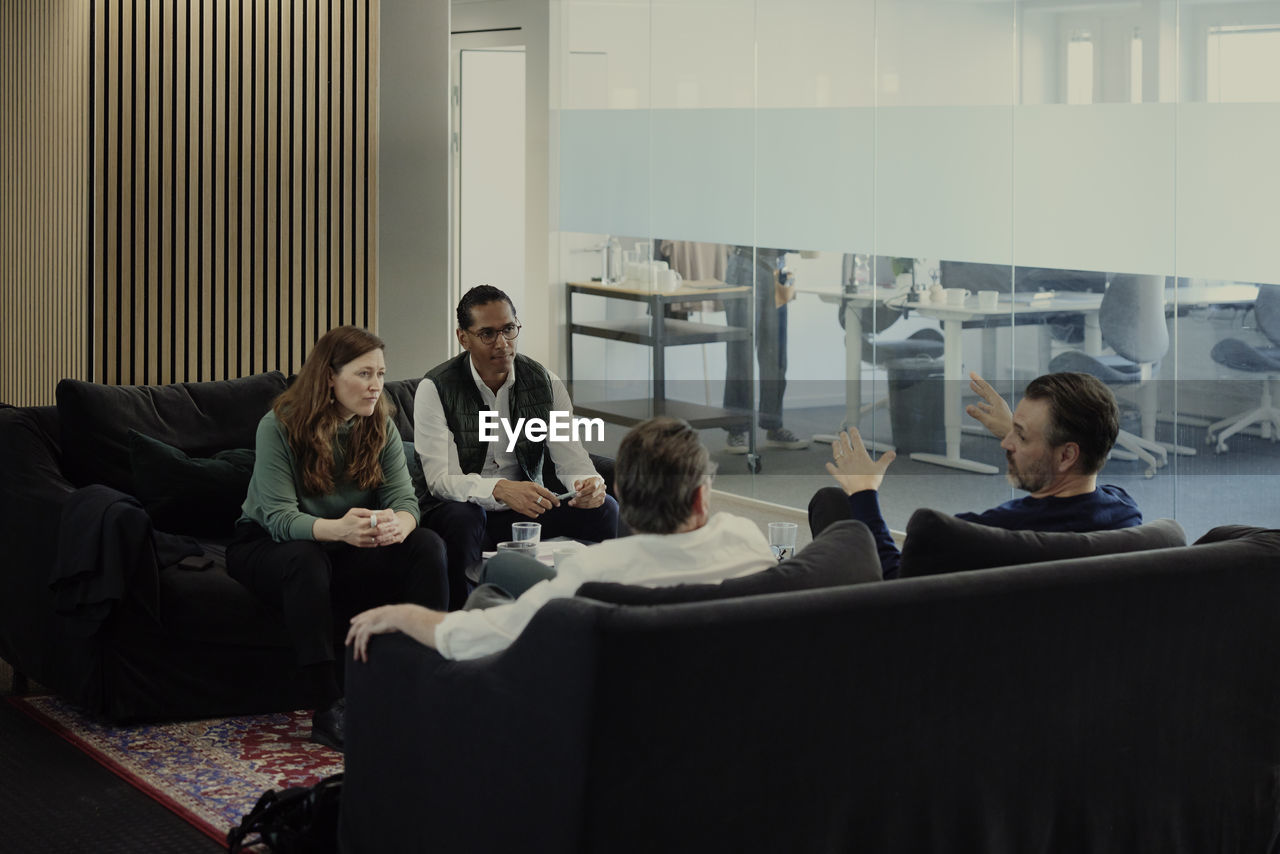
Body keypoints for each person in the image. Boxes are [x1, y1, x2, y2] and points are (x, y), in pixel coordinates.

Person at [347, 416, 776, 662]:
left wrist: (400, 614)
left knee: (490, 595)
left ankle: (491, 593)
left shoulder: (596, 575)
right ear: (701, 497)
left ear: (622, 491)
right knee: (507, 569)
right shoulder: (746, 542)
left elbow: (470, 637)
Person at [228, 326, 449, 750]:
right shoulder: (279, 425)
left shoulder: (377, 423)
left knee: (427, 545)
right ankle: (327, 705)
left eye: (381, 375)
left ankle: (421, 682)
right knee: (306, 559)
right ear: (329, 376)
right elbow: (277, 517)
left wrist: (400, 523)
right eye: (364, 374)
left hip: (342, 545)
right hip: (267, 544)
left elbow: (404, 498)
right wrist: (340, 529)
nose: (375, 387)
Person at [808, 371, 1143, 579]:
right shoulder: (1125, 515)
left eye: (1021, 436)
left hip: (911, 646)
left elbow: (896, 585)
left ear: (1067, 454)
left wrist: (865, 492)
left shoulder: (977, 534)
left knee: (835, 505)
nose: (1007, 443)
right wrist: (1018, 433)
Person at [414, 285, 619, 609]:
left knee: (604, 507)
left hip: (527, 509)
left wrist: (587, 483)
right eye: (488, 334)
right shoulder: (435, 388)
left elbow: (570, 455)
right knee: (463, 518)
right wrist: (499, 489)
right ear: (463, 337)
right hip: (468, 509)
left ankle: (598, 613)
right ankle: (466, 624)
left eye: (509, 329)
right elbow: (441, 480)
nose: (502, 343)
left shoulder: (543, 381)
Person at [722, 246, 809, 454]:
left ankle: (774, 425)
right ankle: (736, 429)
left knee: (776, 354)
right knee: (741, 353)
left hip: (780, 267)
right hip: (746, 264)